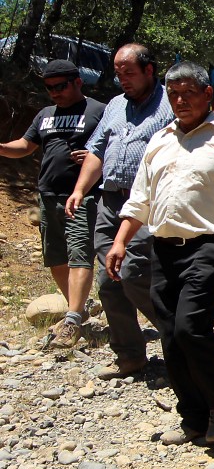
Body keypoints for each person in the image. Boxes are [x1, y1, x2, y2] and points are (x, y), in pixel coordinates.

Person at [106, 62, 214, 445]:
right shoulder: (159, 141)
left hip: (210, 247)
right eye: (173, 94)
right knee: (170, 335)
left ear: (207, 95)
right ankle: (192, 414)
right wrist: (120, 241)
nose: (179, 101)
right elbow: (139, 199)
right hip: (163, 248)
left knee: (192, 328)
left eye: (188, 93)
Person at [66, 43, 174, 380]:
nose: (122, 79)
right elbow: (97, 150)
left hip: (148, 204)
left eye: (129, 72)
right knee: (108, 281)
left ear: (148, 70)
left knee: (133, 273)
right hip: (110, 202)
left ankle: (181, 337)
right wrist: (80, 189)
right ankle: (130, 355)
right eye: (118, 73)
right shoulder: (114, 105)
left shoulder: (172, 104)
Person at [0, 60, 105, 347]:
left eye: (60, 86)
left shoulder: (99, 111)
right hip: (48, 194)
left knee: (80, 253)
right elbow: (25, 146)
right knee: (56, 256)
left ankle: (71, 320)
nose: (54, 93)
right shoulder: (45, 114)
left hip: (83, 195)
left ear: (77, 82)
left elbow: (116, 146)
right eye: (49, 88)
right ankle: (78, 309)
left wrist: (98, 159)